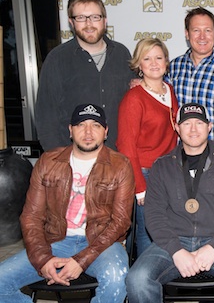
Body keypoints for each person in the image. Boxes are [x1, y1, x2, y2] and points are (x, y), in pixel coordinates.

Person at [0, 103, 135, 303]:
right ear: (70, 130)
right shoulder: (48, 161)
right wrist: (43, 258)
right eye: (81, 125)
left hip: (102, 243)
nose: (88, 132)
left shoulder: (120, 165)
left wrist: (81, 260)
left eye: (96, 125)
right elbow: (31, 216)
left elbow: (121, 221)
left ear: (105, 132)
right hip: (55, 241)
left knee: (117, 279)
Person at [125, 103, 214, 303]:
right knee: (137, 279)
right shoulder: (162, 166)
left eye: (199, 123)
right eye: (187, 124)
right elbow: (154, 214)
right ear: (177, 128)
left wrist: (213, 246)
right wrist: (176, 251)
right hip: (171, 242)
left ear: (209, 126)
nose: (194, 129)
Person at [35, 0, 135, 151]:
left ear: (105, 20)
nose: (89, 24)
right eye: (81, 17)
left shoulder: (122, 54)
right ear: (71, 22)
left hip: (117, 158)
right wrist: (57, 159)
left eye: (95, 17)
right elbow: (46, 115)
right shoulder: (57, 59)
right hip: (73, 159)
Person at [117, 38, 179, 258]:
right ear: (138, 64)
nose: (154, 63)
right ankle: (145, 282)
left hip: (167, 172)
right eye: (147, 58)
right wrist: (140, 187)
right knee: (147, 232)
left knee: (166, 230)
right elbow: (126, 147)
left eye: (159, 57)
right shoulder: (133, 99)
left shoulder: (169, 90)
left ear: (166, 62)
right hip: (144, 172)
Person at [166, 7, 214, 156]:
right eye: (196, 30)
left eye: (208, 30)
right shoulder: (172, 68)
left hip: (213, 161)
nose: (202, 36)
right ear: (187, 33)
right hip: (177, 159)